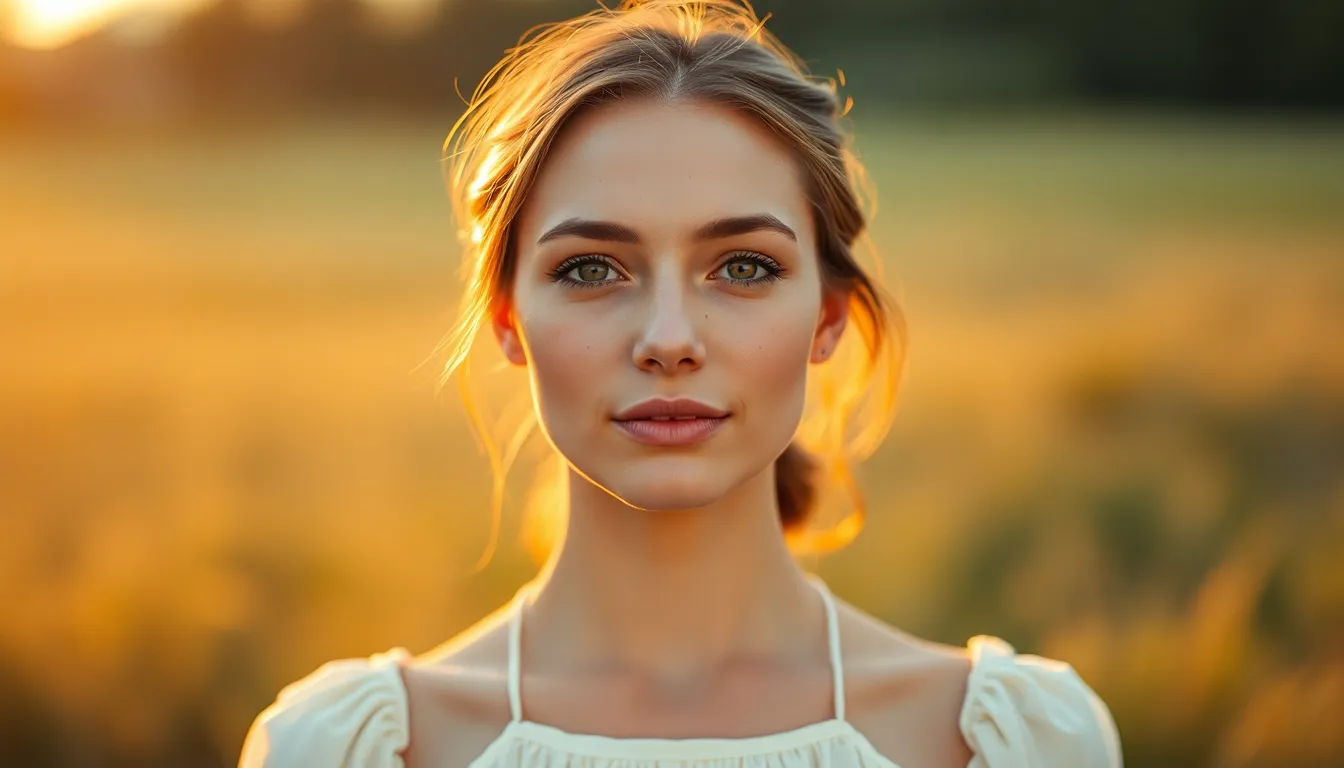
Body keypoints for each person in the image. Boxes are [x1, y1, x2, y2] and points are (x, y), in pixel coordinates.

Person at [238, 1, 1122, 766]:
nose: (668, 341)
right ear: (507, 319)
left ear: (828, 318)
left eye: (742, 266)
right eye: (591, 270)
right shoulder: (347, 751)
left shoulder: (1018, 746)